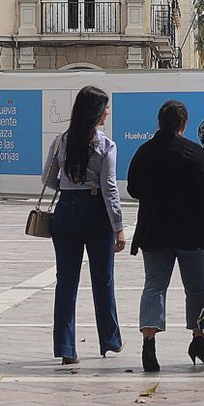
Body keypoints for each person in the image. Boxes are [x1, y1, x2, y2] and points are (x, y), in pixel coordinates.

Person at [127, 99, 204, 372]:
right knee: (195, 289)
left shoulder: (145, 151)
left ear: (159, 123)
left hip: (154, 231)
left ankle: (148, 345)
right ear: (184, 124)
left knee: (154, 286)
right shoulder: (194, 153)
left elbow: (133, 189)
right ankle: (198, 342)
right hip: (191, 233)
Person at [45, 85, 124, 366]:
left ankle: (66, 348)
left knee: (66, 281)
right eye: (104, 107)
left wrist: (69, 187)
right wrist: (119, 226)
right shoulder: (105, 145)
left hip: (65, 210)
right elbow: (109, 189)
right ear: (95, 112)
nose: (107, 112)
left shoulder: (60, 141)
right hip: (95, 211)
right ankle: (109, 340)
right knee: (103, 278)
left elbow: (48, 179)